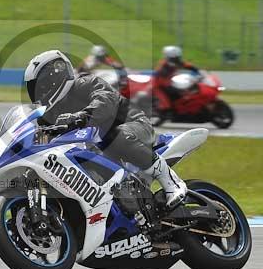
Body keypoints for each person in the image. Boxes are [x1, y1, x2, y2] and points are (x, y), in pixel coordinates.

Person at [24, 49, 188, 208]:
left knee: (115, 137)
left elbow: (105, 101)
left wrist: (81, 116)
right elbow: (42, 137)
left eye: (39, 86)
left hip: (134, 126)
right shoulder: (49, 114)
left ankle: (171, 182)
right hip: (98, 148)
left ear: (52, 78)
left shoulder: (84, 83)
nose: (38, 93)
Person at [152, 45, 201, 113]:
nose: (177, 58)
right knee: (182, 92)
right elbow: (160, 74)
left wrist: (197, 71)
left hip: (173, 82)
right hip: (163, 84)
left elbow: (188, 66)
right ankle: (174, 109)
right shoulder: (164, 64)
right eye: (176, 57)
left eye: (177, 57)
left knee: (189, 88)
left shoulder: (178, 63)